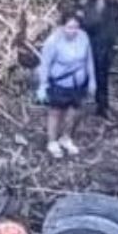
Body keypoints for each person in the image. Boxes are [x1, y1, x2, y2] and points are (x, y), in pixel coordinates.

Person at [36, 11, 95, 158]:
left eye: (75, 27)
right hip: (60, 83)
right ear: (62, 27)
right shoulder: (53, 41)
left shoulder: (83, 37)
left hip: (78, 83)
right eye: (69, 27)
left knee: (74, 112)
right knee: (56, 112)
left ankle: (66, 137)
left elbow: (89, 60)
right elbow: (45, 64)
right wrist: (42, 85)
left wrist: (92, 80)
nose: (72, 31)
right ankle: (52, 141)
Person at [77, 0, 118, 119]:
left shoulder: (113, 3)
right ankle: (78, 105)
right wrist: (98, 8)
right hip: (89, 45)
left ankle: (102, 107)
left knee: (102, 76)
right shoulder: (86, 3)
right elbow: (87, 24)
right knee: (84, 75)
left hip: (107, 45)